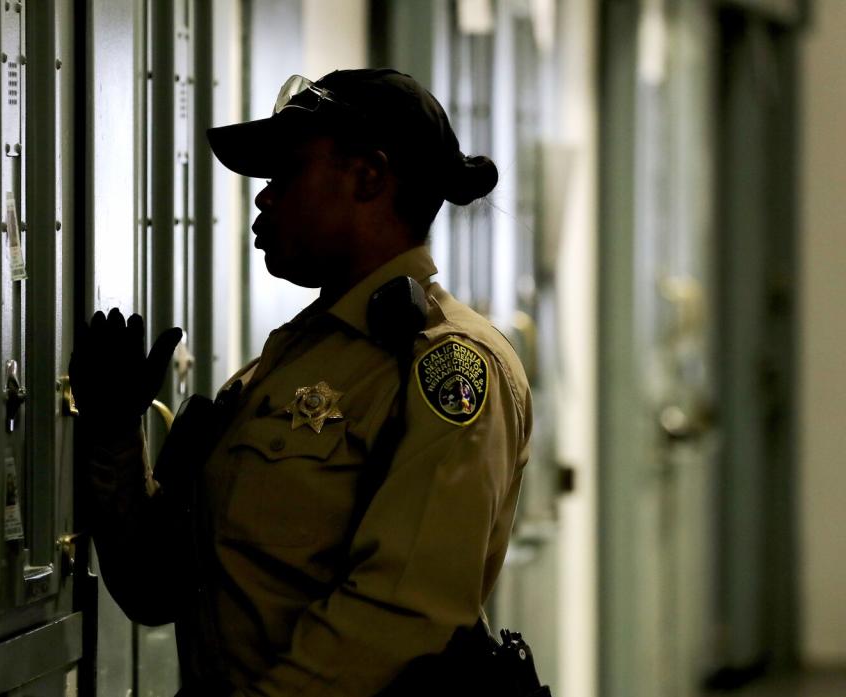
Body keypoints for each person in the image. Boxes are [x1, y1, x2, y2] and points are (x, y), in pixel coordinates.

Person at [70, 68, 533, 697]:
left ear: (368, 177)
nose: (263, 197)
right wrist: (114, 434)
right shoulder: (276, 372)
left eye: (285, 172)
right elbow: (158, 587)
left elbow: (398, 615)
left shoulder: (447, 366)